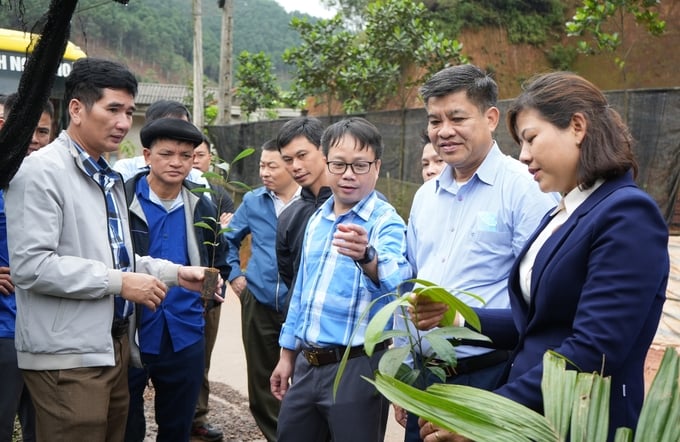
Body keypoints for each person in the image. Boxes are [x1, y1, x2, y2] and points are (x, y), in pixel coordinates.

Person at [417, 71, 670, 442]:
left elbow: (593, 349)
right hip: (537, 409)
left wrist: (486, 416)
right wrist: (459, 316)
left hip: (579, 419)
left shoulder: (627, 213)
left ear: (578, 127)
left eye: (531, 139)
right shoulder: (565, 211)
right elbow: (540, 323)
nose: (524, 155)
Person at [4, 57, 216, 441]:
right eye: (113, 109)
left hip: (112, 346)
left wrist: (173, 273)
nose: (123, 123)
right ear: (77, 109)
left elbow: (115, 256)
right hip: (67, 357)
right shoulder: (41, 172)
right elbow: (31, 267)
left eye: (129, 112)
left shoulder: (109, 176)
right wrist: (119, 283)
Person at [397, 64, 557, 441]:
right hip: (425, 377)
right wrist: (404, 371)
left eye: (457, 117)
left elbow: (543, 303)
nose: (443, 131)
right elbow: (412, 286)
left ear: (490, 118)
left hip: (489, 377)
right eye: (434, 121)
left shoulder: (526, 189)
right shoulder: (425, 197)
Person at [270, 117, 412, 442]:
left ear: (376, 167)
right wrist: (286, 356)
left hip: (358, 367)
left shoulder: (385, 221)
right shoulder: (318, 219)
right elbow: (302, 293)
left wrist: (367, 257)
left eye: (360, 165)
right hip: (307, 362)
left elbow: (399, 281)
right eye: (339, 164)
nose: (348, 175)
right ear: (326, 162)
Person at [123, 117, 230, 442]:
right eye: (167, 153)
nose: (177, 162)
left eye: (186, 155)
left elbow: (218, 261)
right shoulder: (121, 202)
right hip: (133, 331)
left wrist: (208, 299)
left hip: (184, 334)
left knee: (177, 427)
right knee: (126, 424)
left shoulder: (202, 207)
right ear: (147, 155)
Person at [225, 139, 300, 441]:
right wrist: (235, 275)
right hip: (259, 301)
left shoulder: (313, 202)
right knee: (263, 382)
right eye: (262, 166)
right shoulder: (254, 201)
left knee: (306, 380)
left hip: (300, 304)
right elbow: (228, 239)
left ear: (292, 166)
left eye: (272, 166)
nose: (265, 172)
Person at [0, 94, 54, 442]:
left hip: (48, 330)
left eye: (43, 131)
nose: (34, 139)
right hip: (5, 329)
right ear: (5, 125)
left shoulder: (55, 182)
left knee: (42, 429)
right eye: (28, 128)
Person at [191, 133, 235, 442]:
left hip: (208, 280)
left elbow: (221, 245)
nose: (194, 160)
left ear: (210, 159)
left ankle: (197, 417)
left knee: (201, 350)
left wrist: (209, 296)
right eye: (188, 154)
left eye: (200, 155)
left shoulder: (219, 195)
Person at [275, 116, 331, 290]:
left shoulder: (357, 204)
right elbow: (289, 275)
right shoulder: (288, 216)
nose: (296, 166)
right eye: (288, 160)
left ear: (323, 150)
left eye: (302, 155)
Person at [113, 99, 203, 184]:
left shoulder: (196, 179)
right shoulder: (126, 170)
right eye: (166, 154)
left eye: (182, 127)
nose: (175, 163)